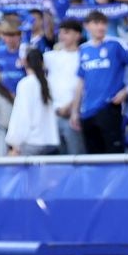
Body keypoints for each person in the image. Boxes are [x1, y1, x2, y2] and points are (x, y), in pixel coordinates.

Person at [72, 9, 128, 154]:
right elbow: (81, 81)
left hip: (109, 106)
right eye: (96, 23)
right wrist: (75, 111)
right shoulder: (83, 49)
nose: (100, 27)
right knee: (93, 156)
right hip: (87, 111)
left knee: (113, 153)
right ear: (87, 26)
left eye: (103, 23)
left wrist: (127, 90)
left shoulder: (116, 44)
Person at [7, 46, 62, 155]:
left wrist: (14, 141)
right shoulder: (49, 83)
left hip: (32, 142)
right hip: (50, 140)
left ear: (25, 62)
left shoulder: (26, 84)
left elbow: (22, 115)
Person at [45, 19, 86, 155]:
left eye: (67, 32)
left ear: (78, 35)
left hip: (73, 113)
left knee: (76, 156)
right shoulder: (50, 56)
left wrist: (71, 106)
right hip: (52, 114)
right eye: (60, 32)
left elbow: (85, 85)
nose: (62, 36)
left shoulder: (84, 56)